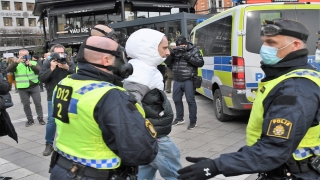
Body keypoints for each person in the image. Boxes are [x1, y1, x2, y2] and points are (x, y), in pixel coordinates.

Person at [177, 18, 320, 180]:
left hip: (295, 174)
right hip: (286, 169)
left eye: (272, 42)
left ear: (295, 46)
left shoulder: (294, 88)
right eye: (264, 42)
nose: (264, 48)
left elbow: (274, 149)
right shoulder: (290, 76)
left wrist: (217, 166)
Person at [49, 35, 158, 180]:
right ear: (105, 60)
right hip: (96, 174)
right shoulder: (110, 95)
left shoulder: (64, 83)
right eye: (119, 56)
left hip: (62, 168)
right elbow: (141, 151)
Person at [124, 29, 182, 180]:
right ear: (148, 48)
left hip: (150, 134)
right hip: (153, 136)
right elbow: (130, 107)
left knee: (144, 171)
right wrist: (144, 136)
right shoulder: (140, 72)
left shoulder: (144, 68)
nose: (168, 52)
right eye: (164, 48)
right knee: (175, 173)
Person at [39, 44, 76, 156]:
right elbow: (41, 79)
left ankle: (70, 142)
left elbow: (78, 73)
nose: (60, 56)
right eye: (57, 53)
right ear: (52, 54)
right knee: (52, 120)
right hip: (53, 95)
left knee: (71, 119)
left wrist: (67, 68)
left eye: (62, 53)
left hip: (69, 94)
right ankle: (49, 144)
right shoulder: (47, 63)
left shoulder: (68, 62)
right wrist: (51, 68)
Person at [168, 36, 204, 130]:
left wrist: (186, 56)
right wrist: (171, 55)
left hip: (189, 79)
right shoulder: (175, 51)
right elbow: (168, 64)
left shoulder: (194, 50)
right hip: (177, 79)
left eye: (182, 45)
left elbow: (200, 63)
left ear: (186, 43)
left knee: (190, 101)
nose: (181, 47)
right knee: (176, 100)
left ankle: (193, 122)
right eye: (179, 45)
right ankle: (179, 119)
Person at [6, 49, 45, 127]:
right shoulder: (16, 64)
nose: (24, 57)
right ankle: (30, 119)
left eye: (26, 55)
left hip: (34, 86)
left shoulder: (33, 62)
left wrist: (31, 65)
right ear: (19, 56)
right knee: (26, 104)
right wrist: (16, 62)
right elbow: (8, 70)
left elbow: (39, 71)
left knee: (38, 103)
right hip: (22, 88)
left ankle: (40, 118)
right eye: (22, 55)